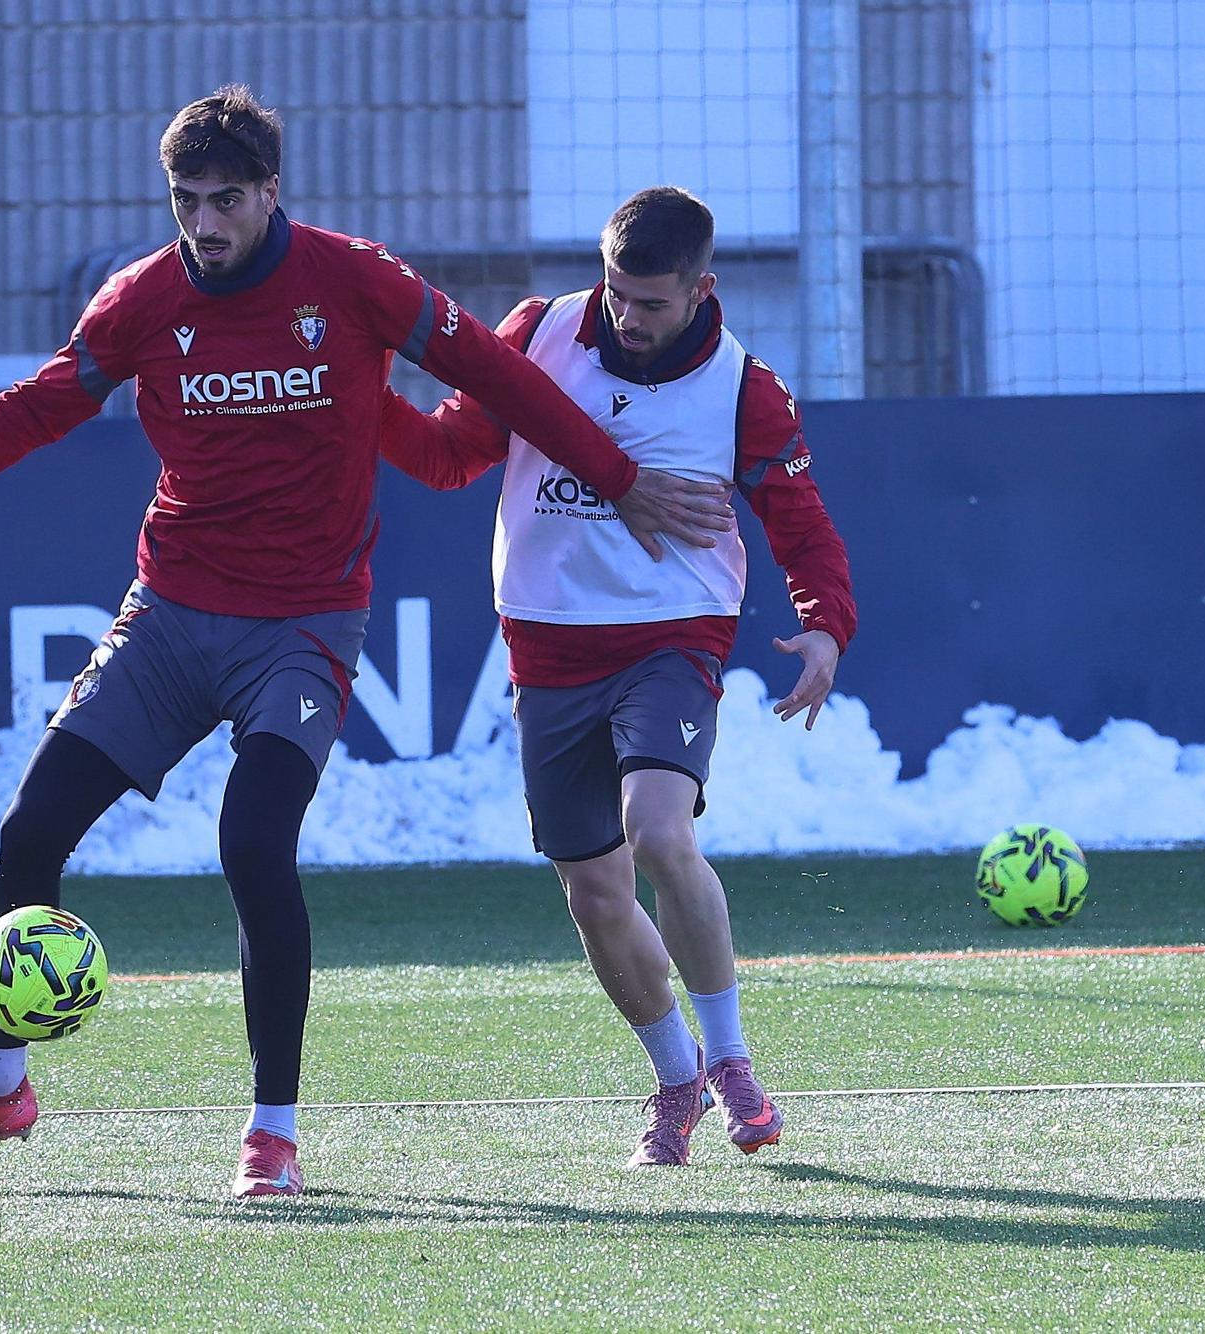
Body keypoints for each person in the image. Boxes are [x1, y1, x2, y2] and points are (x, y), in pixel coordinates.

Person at [0, 89, 734, 1199]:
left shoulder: (354, 281)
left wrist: (619, 481)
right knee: (31, 823)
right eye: (187, 201)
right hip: (171, 613)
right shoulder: (140, 301)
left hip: (302, 624)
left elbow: (499, 376)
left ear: (271, 194)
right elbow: (40, 406)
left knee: (251, 842)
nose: (205, 223)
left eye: (226, 200)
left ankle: (271, 1132)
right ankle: (0, 1081)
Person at [376, 186, 857, 1167]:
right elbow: (443, 456)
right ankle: (673, 1073)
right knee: (593, 893)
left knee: (656, 828)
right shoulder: (538, 332)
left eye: (648, 303)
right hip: (546, 649)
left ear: (701, 289)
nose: (624, 318)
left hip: (669, 638)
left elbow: (801, 524)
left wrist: (823, 629)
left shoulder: (742, 388)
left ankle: (729, 1062)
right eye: (613, 295)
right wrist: (357, 395)